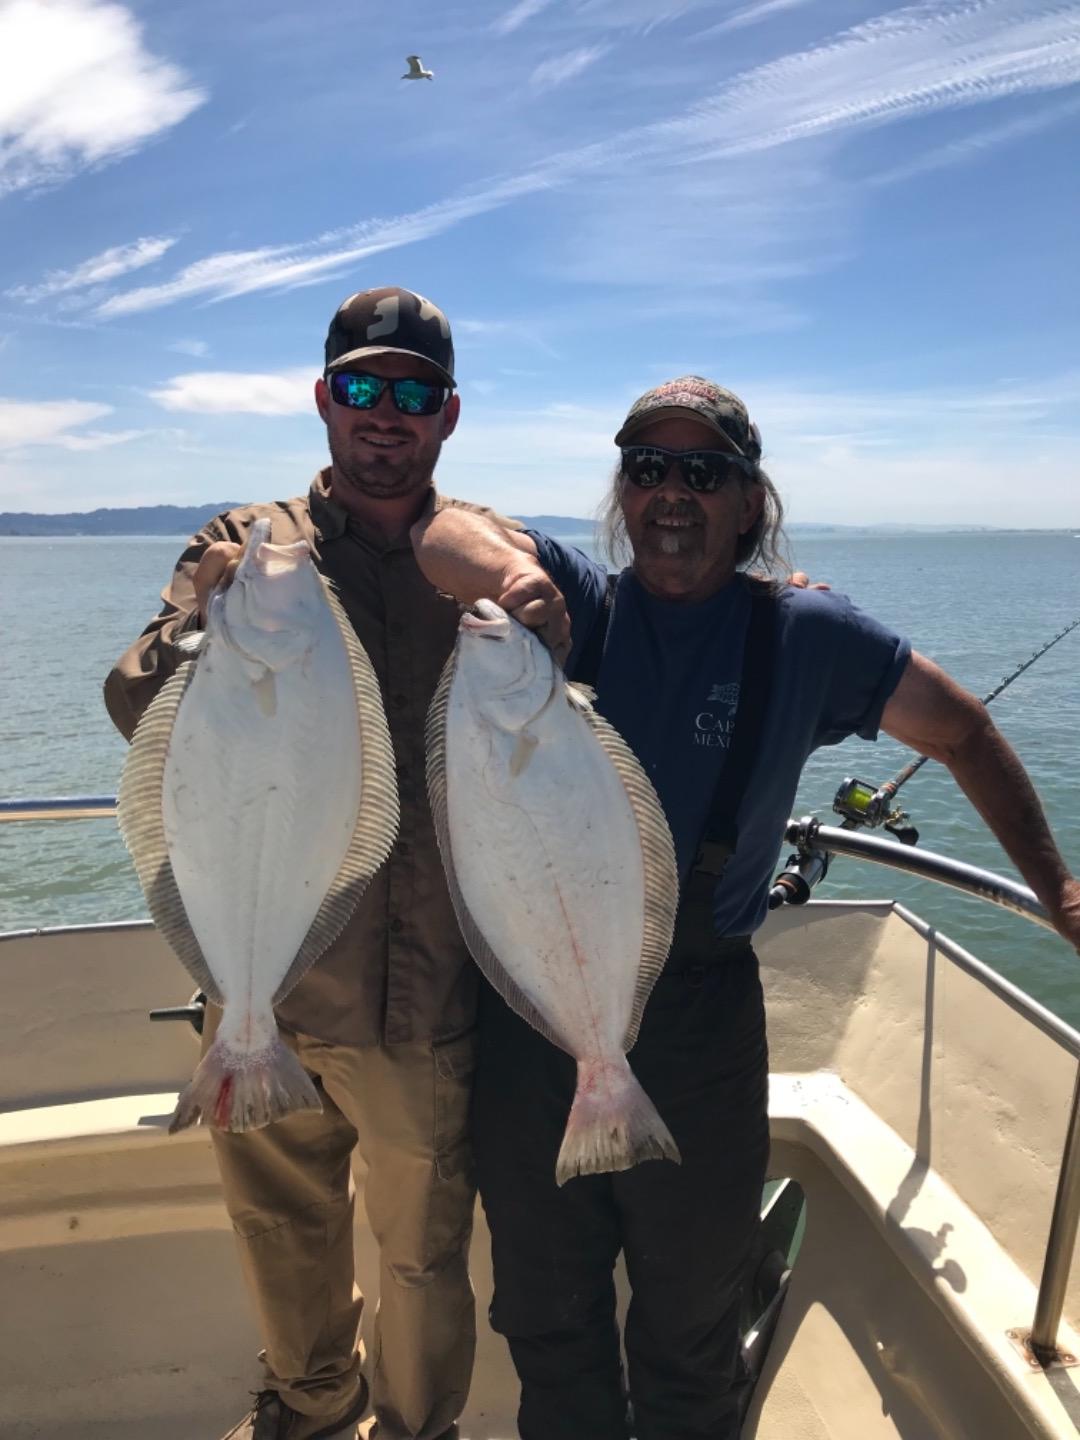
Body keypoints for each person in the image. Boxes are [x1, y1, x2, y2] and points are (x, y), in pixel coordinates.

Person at [410, 374, 1080, 1440]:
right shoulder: (578, 599)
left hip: (699, 1020)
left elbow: (959, 732)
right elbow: (439, 533)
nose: (673, 493)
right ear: (622, 494)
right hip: (536, 1011)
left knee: (690, 1332)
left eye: (704, 472)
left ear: (749, 500)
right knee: (546, 1317)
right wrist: (512, 576)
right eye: (649, 468)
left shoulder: (806, 635)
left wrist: (1061, 890)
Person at [103, 287, 539, 1440]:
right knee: (283, 1232)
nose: (383, 414)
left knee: (423, 1260)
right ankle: (308, 1408)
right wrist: (202, 611)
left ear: (448, 415)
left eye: (411, 393)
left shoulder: (496, 553)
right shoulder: (247, 546)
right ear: (322, 400)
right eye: (360, 387)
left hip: (426, 993)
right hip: (271, 981)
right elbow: (131, 702)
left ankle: (414, 1428)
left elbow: (570, 692)